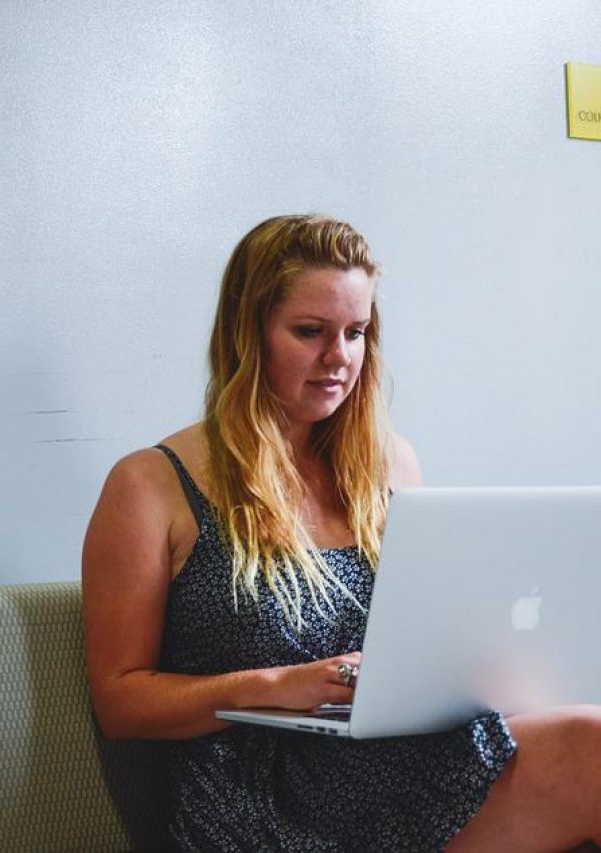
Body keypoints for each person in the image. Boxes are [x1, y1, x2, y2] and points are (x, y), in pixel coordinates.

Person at [82, 214, 601, 851]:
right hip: (259, 797)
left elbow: (432, 635)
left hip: (407, 764)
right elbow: (120, 701)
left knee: (590, 738)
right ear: (249, 336)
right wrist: (274, 686)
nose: (340, 358)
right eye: (310, 332)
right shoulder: (150, 484)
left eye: (356, 333)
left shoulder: (390, 465)